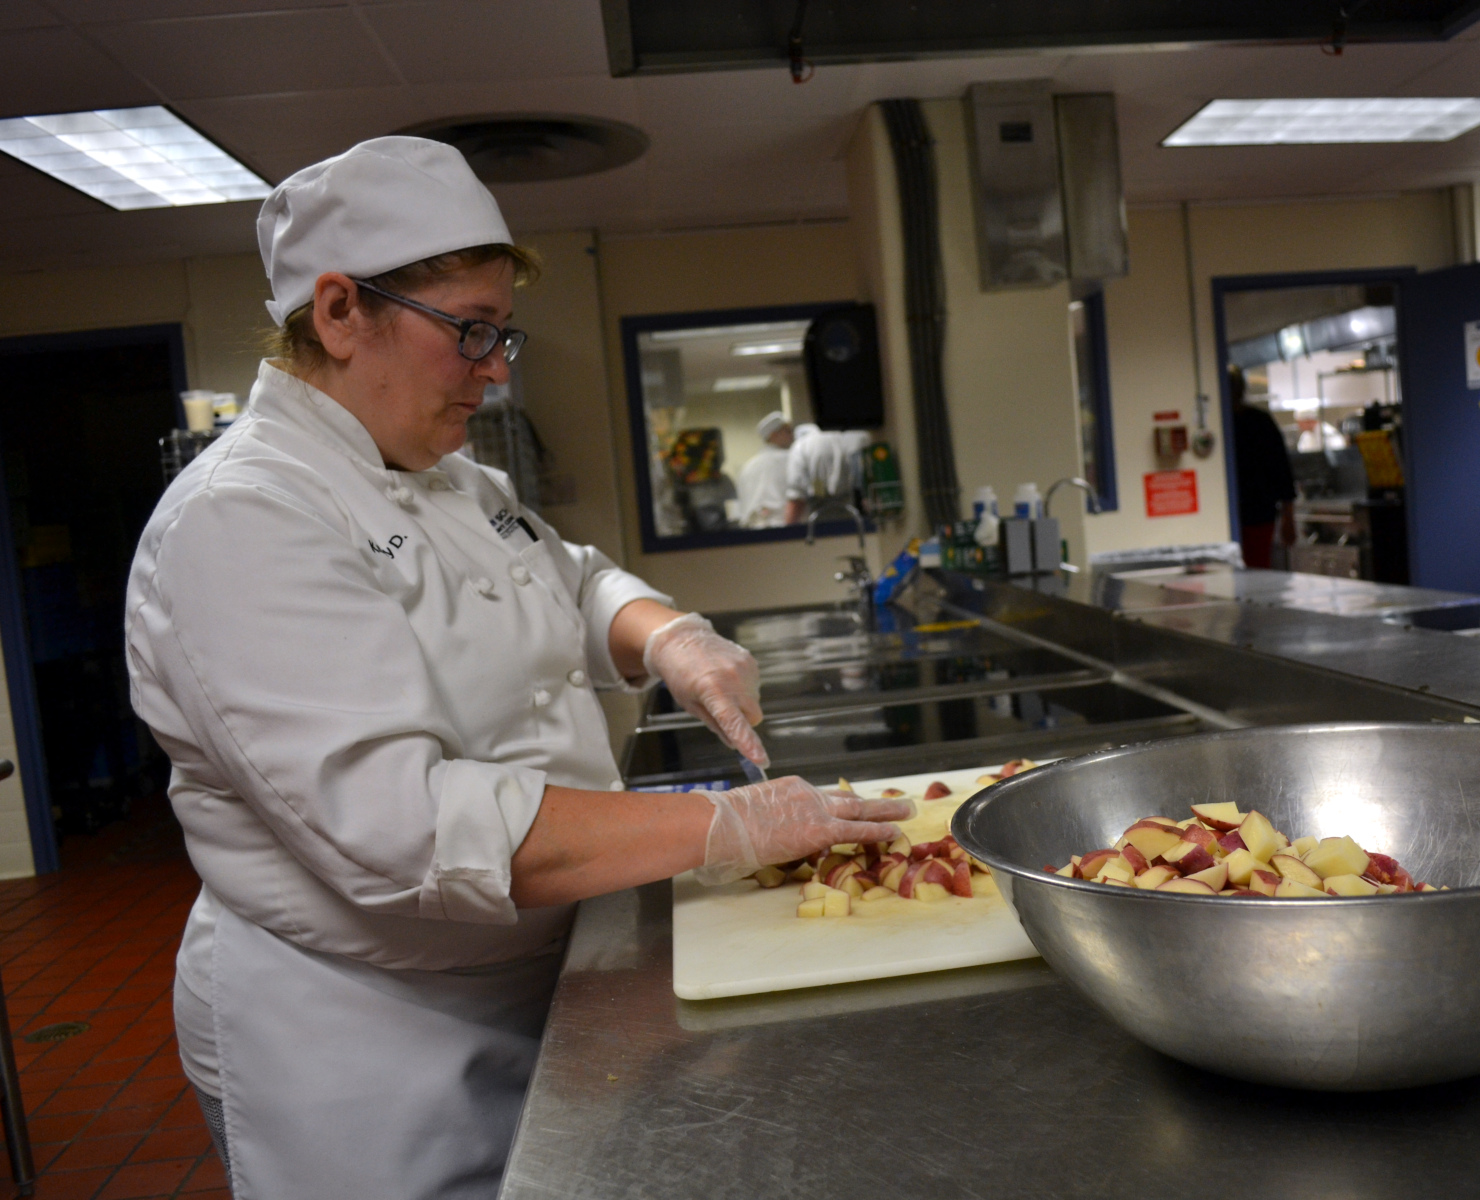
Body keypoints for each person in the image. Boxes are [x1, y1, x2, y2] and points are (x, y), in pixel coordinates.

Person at [124, 137, 909, 1200]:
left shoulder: (447, 475)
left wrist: (669, 635)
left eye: (503, 333)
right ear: (342, 311)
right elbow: (405, 825)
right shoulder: (242, 520)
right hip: (367, 1037)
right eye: (471, 333)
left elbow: (574, 581)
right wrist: (724, 826)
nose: (496, 372)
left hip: (534, 975)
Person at [1228, 363, 1297, 569]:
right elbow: (1282, 471)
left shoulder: (1257, 422)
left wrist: (1288, 516)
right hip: (1254, 513)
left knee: (1253, 570)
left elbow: (1281, 471)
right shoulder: (1256, 421)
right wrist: (1288, 516)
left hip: (1256, 514)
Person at [782, 422, 872, 525]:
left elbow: (796, 496)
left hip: (819, 521)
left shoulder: (800, 447)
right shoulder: (839, 438)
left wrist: (787, 530)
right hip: (852, 517)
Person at [736, 411, 794, 527]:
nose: (792, 435)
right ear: (773, 435)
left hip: (753, 533)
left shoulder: (748, 466)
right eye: (787, 431)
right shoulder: (789, 459)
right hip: (784, 529)